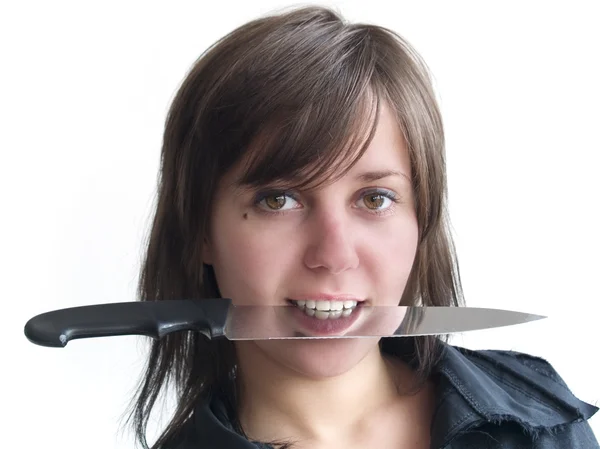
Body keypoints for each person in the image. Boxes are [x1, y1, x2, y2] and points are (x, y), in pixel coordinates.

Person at [126, 5, 599, 449]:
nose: (334, 254)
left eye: (375, 199)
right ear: (200, 230)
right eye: (278, 199)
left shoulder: (540, 425)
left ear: (421, 219)